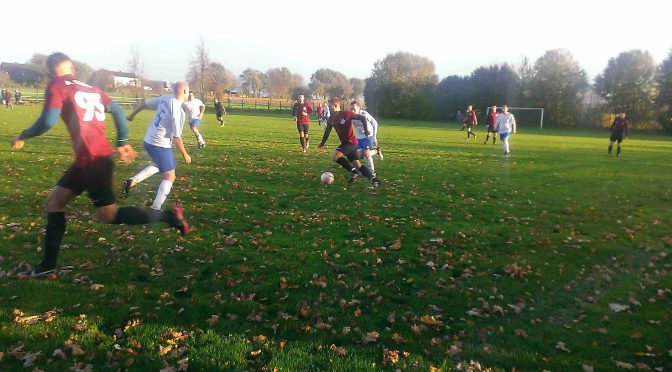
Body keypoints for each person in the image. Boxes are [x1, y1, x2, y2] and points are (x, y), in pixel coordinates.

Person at [10, 52, 188, 279]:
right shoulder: (89, 88)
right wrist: (122, 141)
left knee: (109, 215)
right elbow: (117, 110)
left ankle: (168, 216)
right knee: (54, 202)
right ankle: (47, 266)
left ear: (49, 72)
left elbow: (47, 120)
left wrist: (24, 135)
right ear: (71, 67)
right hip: (89, 160)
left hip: (93, 162)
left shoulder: (57, 85)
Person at [122, 81, 192, 211]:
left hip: (149, 140)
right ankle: (156, 208)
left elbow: (144, 104)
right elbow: (177, 137)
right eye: (188, 90)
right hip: (160, 144)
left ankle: (131, 182)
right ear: (184, 92)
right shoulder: (177, 110)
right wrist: (185, 154)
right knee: (170, 176)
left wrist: (132, 115)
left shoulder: (165, 99)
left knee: (161, 165)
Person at [318, 98, 381, 187]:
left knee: (335, 157)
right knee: (358, 165)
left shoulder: (346, 114)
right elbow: (327, 131)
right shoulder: (331, 119)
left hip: (350, 143)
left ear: (336, 106)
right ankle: (373, 179)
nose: (329, 108)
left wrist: (366, 130)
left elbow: (362, 118)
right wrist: (322, 142)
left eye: (330, 106)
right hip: (347, 143)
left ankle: (353, 171)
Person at [351, 100, 383, 175]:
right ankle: (376, 151)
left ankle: (372, 173)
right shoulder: (352, 116)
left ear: (359, 108)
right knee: (359, 156)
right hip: (359, 138)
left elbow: (375, 123)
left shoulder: (364, 114)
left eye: (354, 109)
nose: (352, 111)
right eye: (351, 109)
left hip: (368, 136)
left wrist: (374, 137)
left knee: (367, 154)